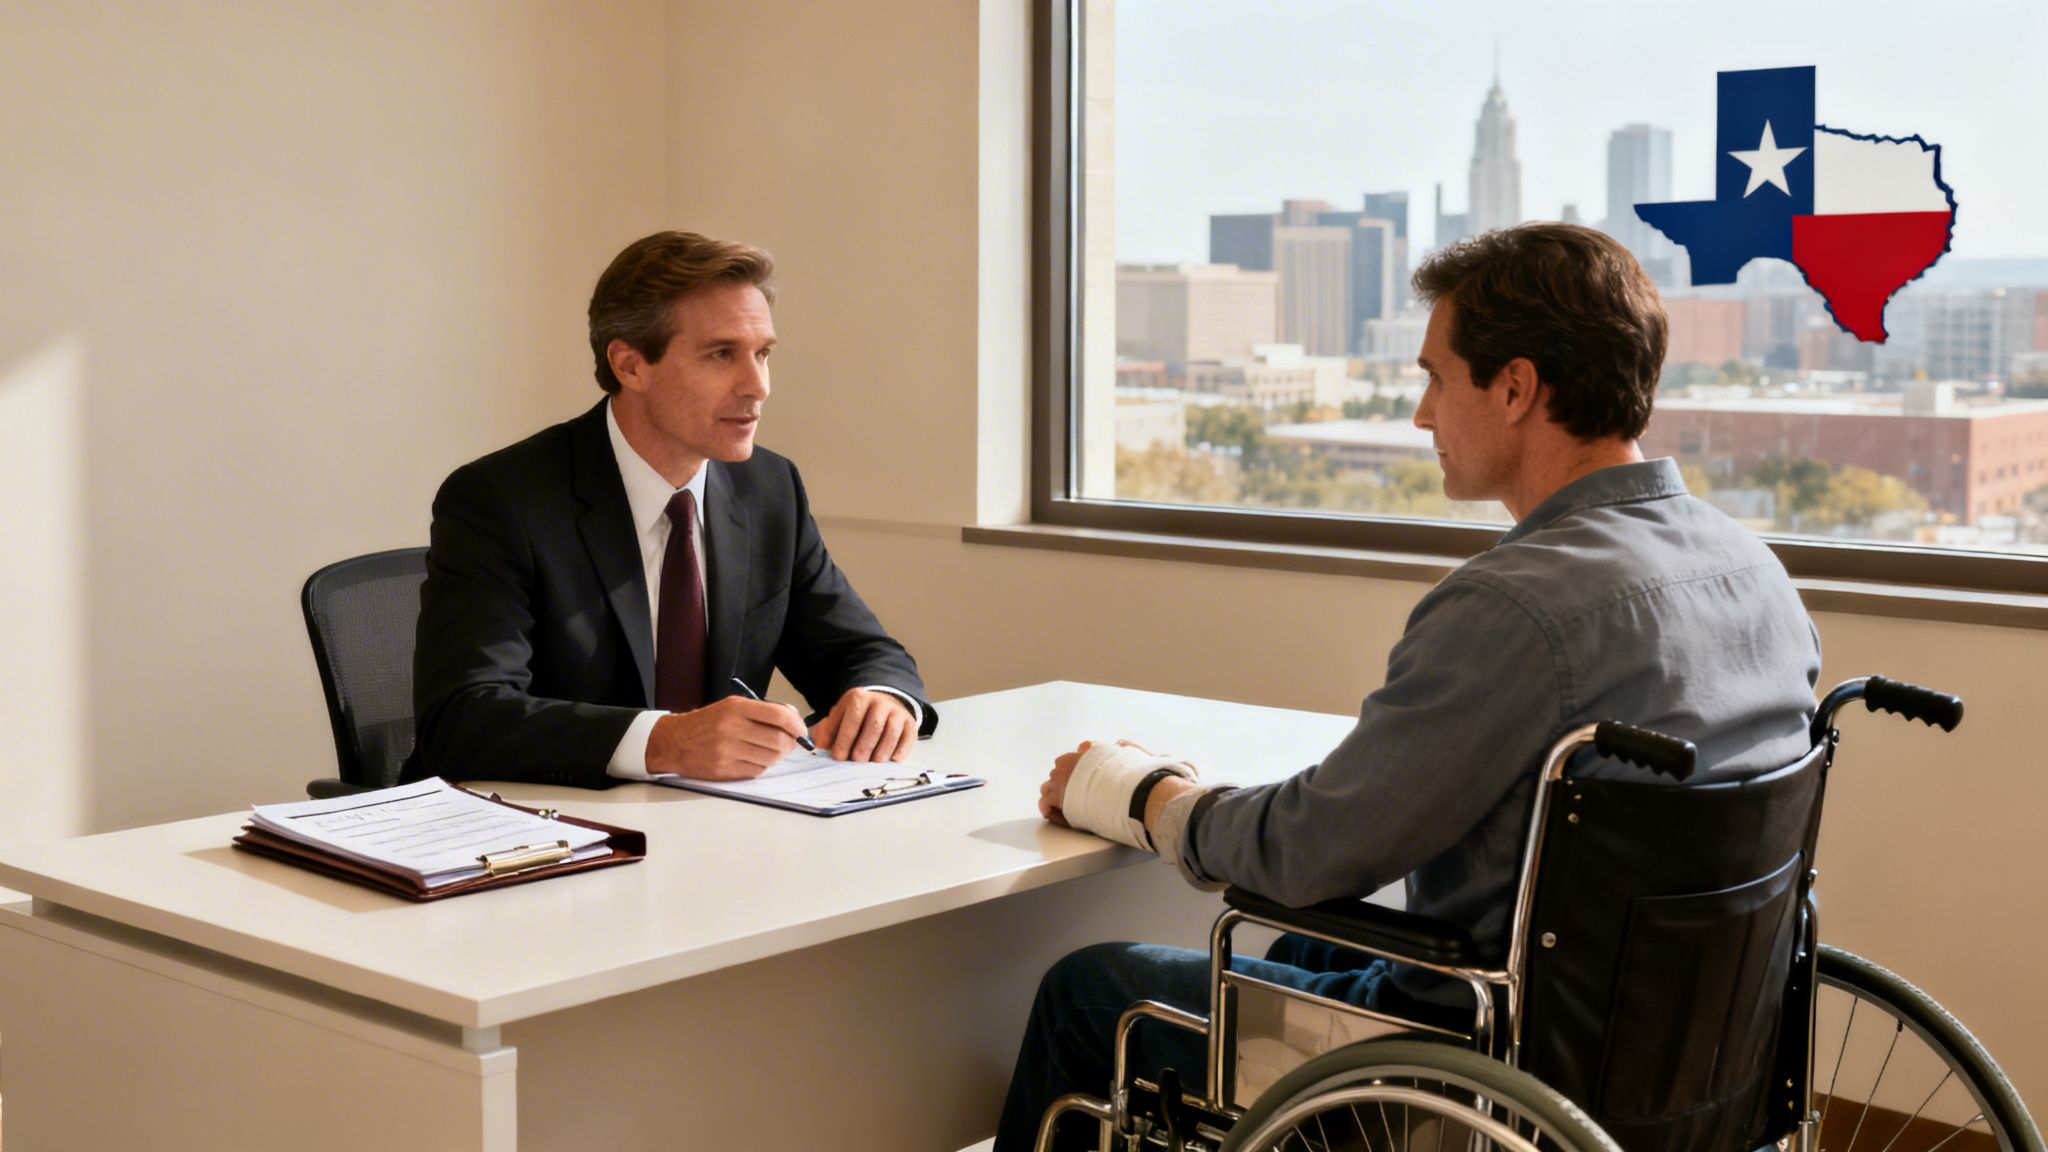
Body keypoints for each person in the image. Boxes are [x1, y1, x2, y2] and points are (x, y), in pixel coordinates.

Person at [993, 223, 1822, 1151]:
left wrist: (1149, 795)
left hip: (1483, 1066)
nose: (1422, 414)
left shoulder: (1517, 607)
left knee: (1092, 991)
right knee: (1309, 943)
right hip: (1681, 1059)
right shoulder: (1757, 573)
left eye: (1435, 377)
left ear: (1514, 388)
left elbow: (1313, 849)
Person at [403, 230, 936, 789]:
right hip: (536, 827)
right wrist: (662, 742)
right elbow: (463, 717)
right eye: (721, 354)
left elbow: (859, 649)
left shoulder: (769, 487)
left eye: (763, 354)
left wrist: (881, 697)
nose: (758, 386)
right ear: (631, 366)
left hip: (711, 826)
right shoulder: (501, 498)